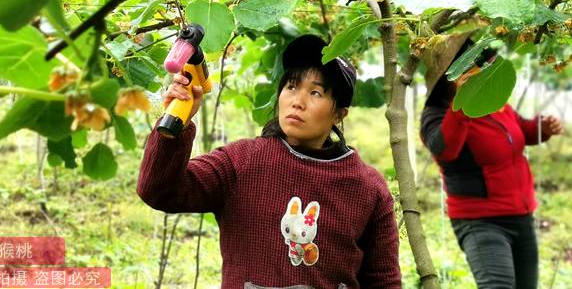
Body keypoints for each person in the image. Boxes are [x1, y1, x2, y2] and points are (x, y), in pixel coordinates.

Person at [137, 34, 402, 288]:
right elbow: (160, 191)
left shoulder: (367, 188)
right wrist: (176, 122)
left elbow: (383, 281)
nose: (298, 101)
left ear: (339, 115)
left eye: (316, 93)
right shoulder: (242, 163)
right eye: (292, 86)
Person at [420, 34, 563, 289]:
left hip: (521, 215)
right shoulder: (438, 114)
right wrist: (462, 103)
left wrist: (542, 128)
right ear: (448, 77)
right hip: (480, 221)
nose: (477, 73)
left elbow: (518, 132)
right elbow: (444, 151)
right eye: (469, 69)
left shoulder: (493, 104)